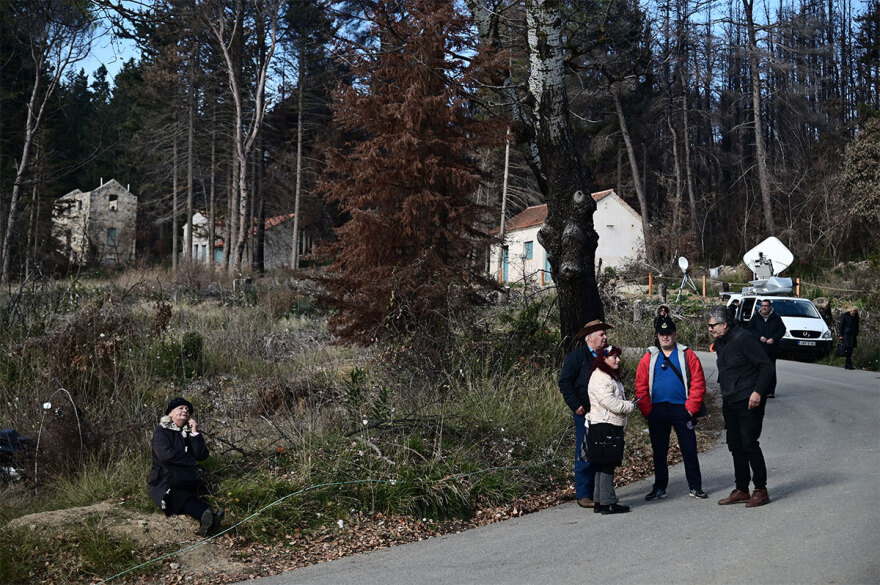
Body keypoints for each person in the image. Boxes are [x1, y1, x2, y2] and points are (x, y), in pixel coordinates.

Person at [706, 306, 774, 508]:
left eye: (712, 326)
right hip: (730, 400)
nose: (710, 330)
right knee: (735, 445)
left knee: (749, 443)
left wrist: (758, 392)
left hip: (748, 400)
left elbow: (766, 365)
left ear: (724, 324)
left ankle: (760, 489)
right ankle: (742, 489)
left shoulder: (744, 338)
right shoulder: (721, 342)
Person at [635, 316, 708, 501]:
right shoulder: (649, 357)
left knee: (689, 449)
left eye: (668, 334)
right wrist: (647, 410)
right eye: (662, 334)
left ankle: (695, 486)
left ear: (675, 335)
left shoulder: (687, 355)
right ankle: (659, 487)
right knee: (659, 452)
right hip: (657, 411)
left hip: (682, 409)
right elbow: (641, 386)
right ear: (657, 336)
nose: (665, 337)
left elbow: (698, 382)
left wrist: (691, 408)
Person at [148, 397, 223, 536]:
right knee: (176, 495)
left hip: (187, 477)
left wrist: (195, 432)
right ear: (170, 413)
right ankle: (206, 516)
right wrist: (190, 460)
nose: (185, 411)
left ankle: (208, 518)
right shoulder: (161, 431)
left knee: (193, 494)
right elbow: (165, 455)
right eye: (181, 408)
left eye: (187, 410)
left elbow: (202, 455)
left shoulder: (188, 433)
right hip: (165, 477)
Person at [558, 319, 613, 509]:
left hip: (605, 414)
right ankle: (583, 494)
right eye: (601, 334)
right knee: (584, 452)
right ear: (590, 338)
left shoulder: (607, 356)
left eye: (605, 334)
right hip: (586, 413)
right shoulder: (576, 357)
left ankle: (599, 492)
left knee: (603, 451)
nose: (605, 337)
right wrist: (576, 406)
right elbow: (565, 383)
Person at [586, 345, 636, 514]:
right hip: (605, 425)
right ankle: (608, 502)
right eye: (613, 357)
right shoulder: (601, 377)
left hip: (607, 424)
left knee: (603, 464)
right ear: (604, 359)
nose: (618, 360)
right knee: (606, 463)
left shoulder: (609, 376)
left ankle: (600, 501)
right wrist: (629, 406)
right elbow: (609, 402)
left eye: (618, 357)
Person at [747, 299, 786, 398]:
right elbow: (750, 329)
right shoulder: (756, 317)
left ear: (770, 307)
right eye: (762, 306)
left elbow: (782, 330)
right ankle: (758, 390)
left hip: (772, 349)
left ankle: (770, 391)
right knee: (758, 369)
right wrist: (759, 337)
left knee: (771, 370)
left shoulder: (776, 318)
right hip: (759, 348)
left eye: (766, 306)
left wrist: (773, 339)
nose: (764, 307)